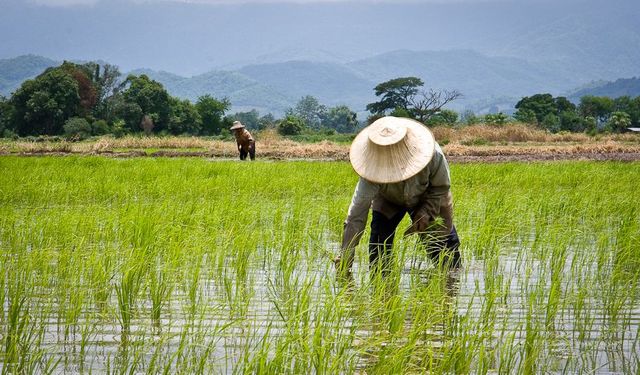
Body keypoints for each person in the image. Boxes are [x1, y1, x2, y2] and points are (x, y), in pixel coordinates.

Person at [334, 116, 460, 278]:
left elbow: (441, 188)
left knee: (447, 255)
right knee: (378, 250)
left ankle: (449, 287)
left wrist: (426, 211)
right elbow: (356, 215)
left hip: (427, 196)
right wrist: (346, 256)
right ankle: (383, 293)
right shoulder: (370, 171)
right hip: (388, 200)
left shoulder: (432, 154)